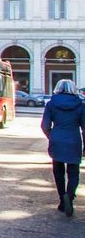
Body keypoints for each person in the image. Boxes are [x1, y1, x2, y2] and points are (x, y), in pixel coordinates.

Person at [41, 79, 85, 217]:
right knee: (73, 173)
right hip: (73, 139)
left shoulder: (51, 104)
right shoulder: (81, 105)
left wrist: (51, 136)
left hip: (57, 138)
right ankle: (70, 197)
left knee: (58, 172)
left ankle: (62, 199)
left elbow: (45, 125)